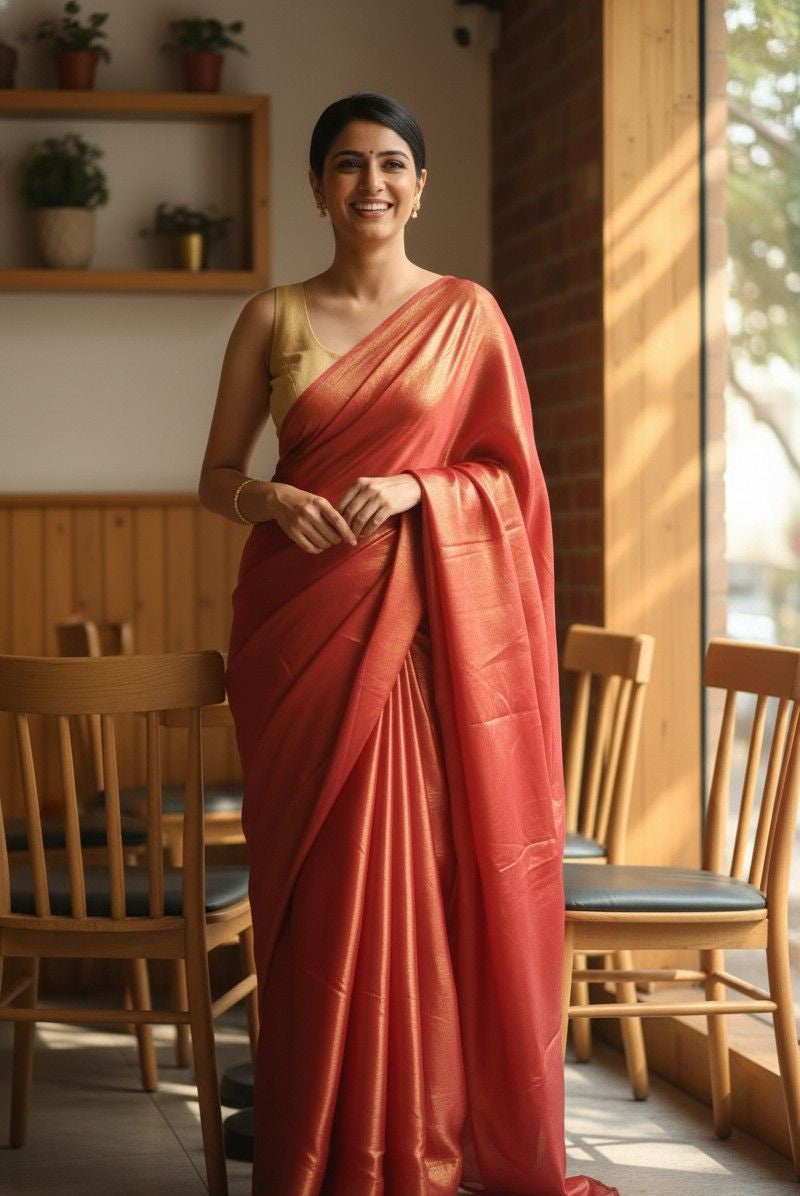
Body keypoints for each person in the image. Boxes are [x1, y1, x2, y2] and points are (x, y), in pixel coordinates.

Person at [199, 91, 618, 1196]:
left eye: (391, 163)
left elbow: (511, 485)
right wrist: (270, 500)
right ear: (315, 186)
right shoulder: (272, 316)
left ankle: (415, 1141)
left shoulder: (468, 316)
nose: (370, 183)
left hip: (421, 645)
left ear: (420, 187)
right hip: (298, 638)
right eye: (347, 164)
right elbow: (214, 475)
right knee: (318, 890)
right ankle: (319, 1144)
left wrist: (419, 489)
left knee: (413, 888)